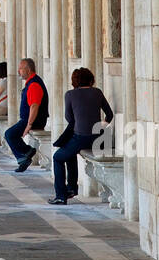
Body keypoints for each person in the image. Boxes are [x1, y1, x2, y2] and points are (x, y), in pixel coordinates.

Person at [48, 67, 113, 204]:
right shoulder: (97, 92)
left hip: (80, 138)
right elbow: (110, 114)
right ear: (90, 79)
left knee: (58, 157)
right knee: (68, 152)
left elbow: (69, 119)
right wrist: (101, 126)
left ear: (74, 81)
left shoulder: (70, 95)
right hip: (98, 138)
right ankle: (71, 188)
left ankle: (61, 195)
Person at [3, 58, 49, 172]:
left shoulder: (34, 84)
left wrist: (29, 125)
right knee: (10, 134)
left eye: (21, 68)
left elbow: (34, 106)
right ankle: (26, 153)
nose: (19, 71)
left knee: (9, 134)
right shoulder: (32, 82)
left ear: (28, 70)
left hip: (34, 120)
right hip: (29, 119)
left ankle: (25, 155)